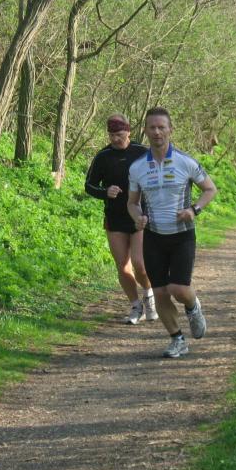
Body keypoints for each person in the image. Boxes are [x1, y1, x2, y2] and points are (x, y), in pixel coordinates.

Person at [127, 107, 217, 358]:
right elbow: (132, 203)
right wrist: (138, 217)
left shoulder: (185, 162)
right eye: (152, 127)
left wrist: (194, 210)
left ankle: (193, 306)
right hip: (153, 236)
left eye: (161, 127)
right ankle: (177, 339)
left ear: (170, 130)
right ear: (145, 131)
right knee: (160, 292)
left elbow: (210, 189)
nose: (157, 132)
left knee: (179, 289)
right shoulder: (137, 167)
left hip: (181, 235)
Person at [85, 114, 157, 325]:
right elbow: (89, 185)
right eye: (111, 135)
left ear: (129, 132)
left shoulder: (143, 152)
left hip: (140, 215)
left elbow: (158, 178)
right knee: (122, 266)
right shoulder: (103, 156)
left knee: (140, 264)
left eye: (119, 134)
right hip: (115, 218)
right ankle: (135, 306)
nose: (115, 139)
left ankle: (149, 296)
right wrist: (105, 192)